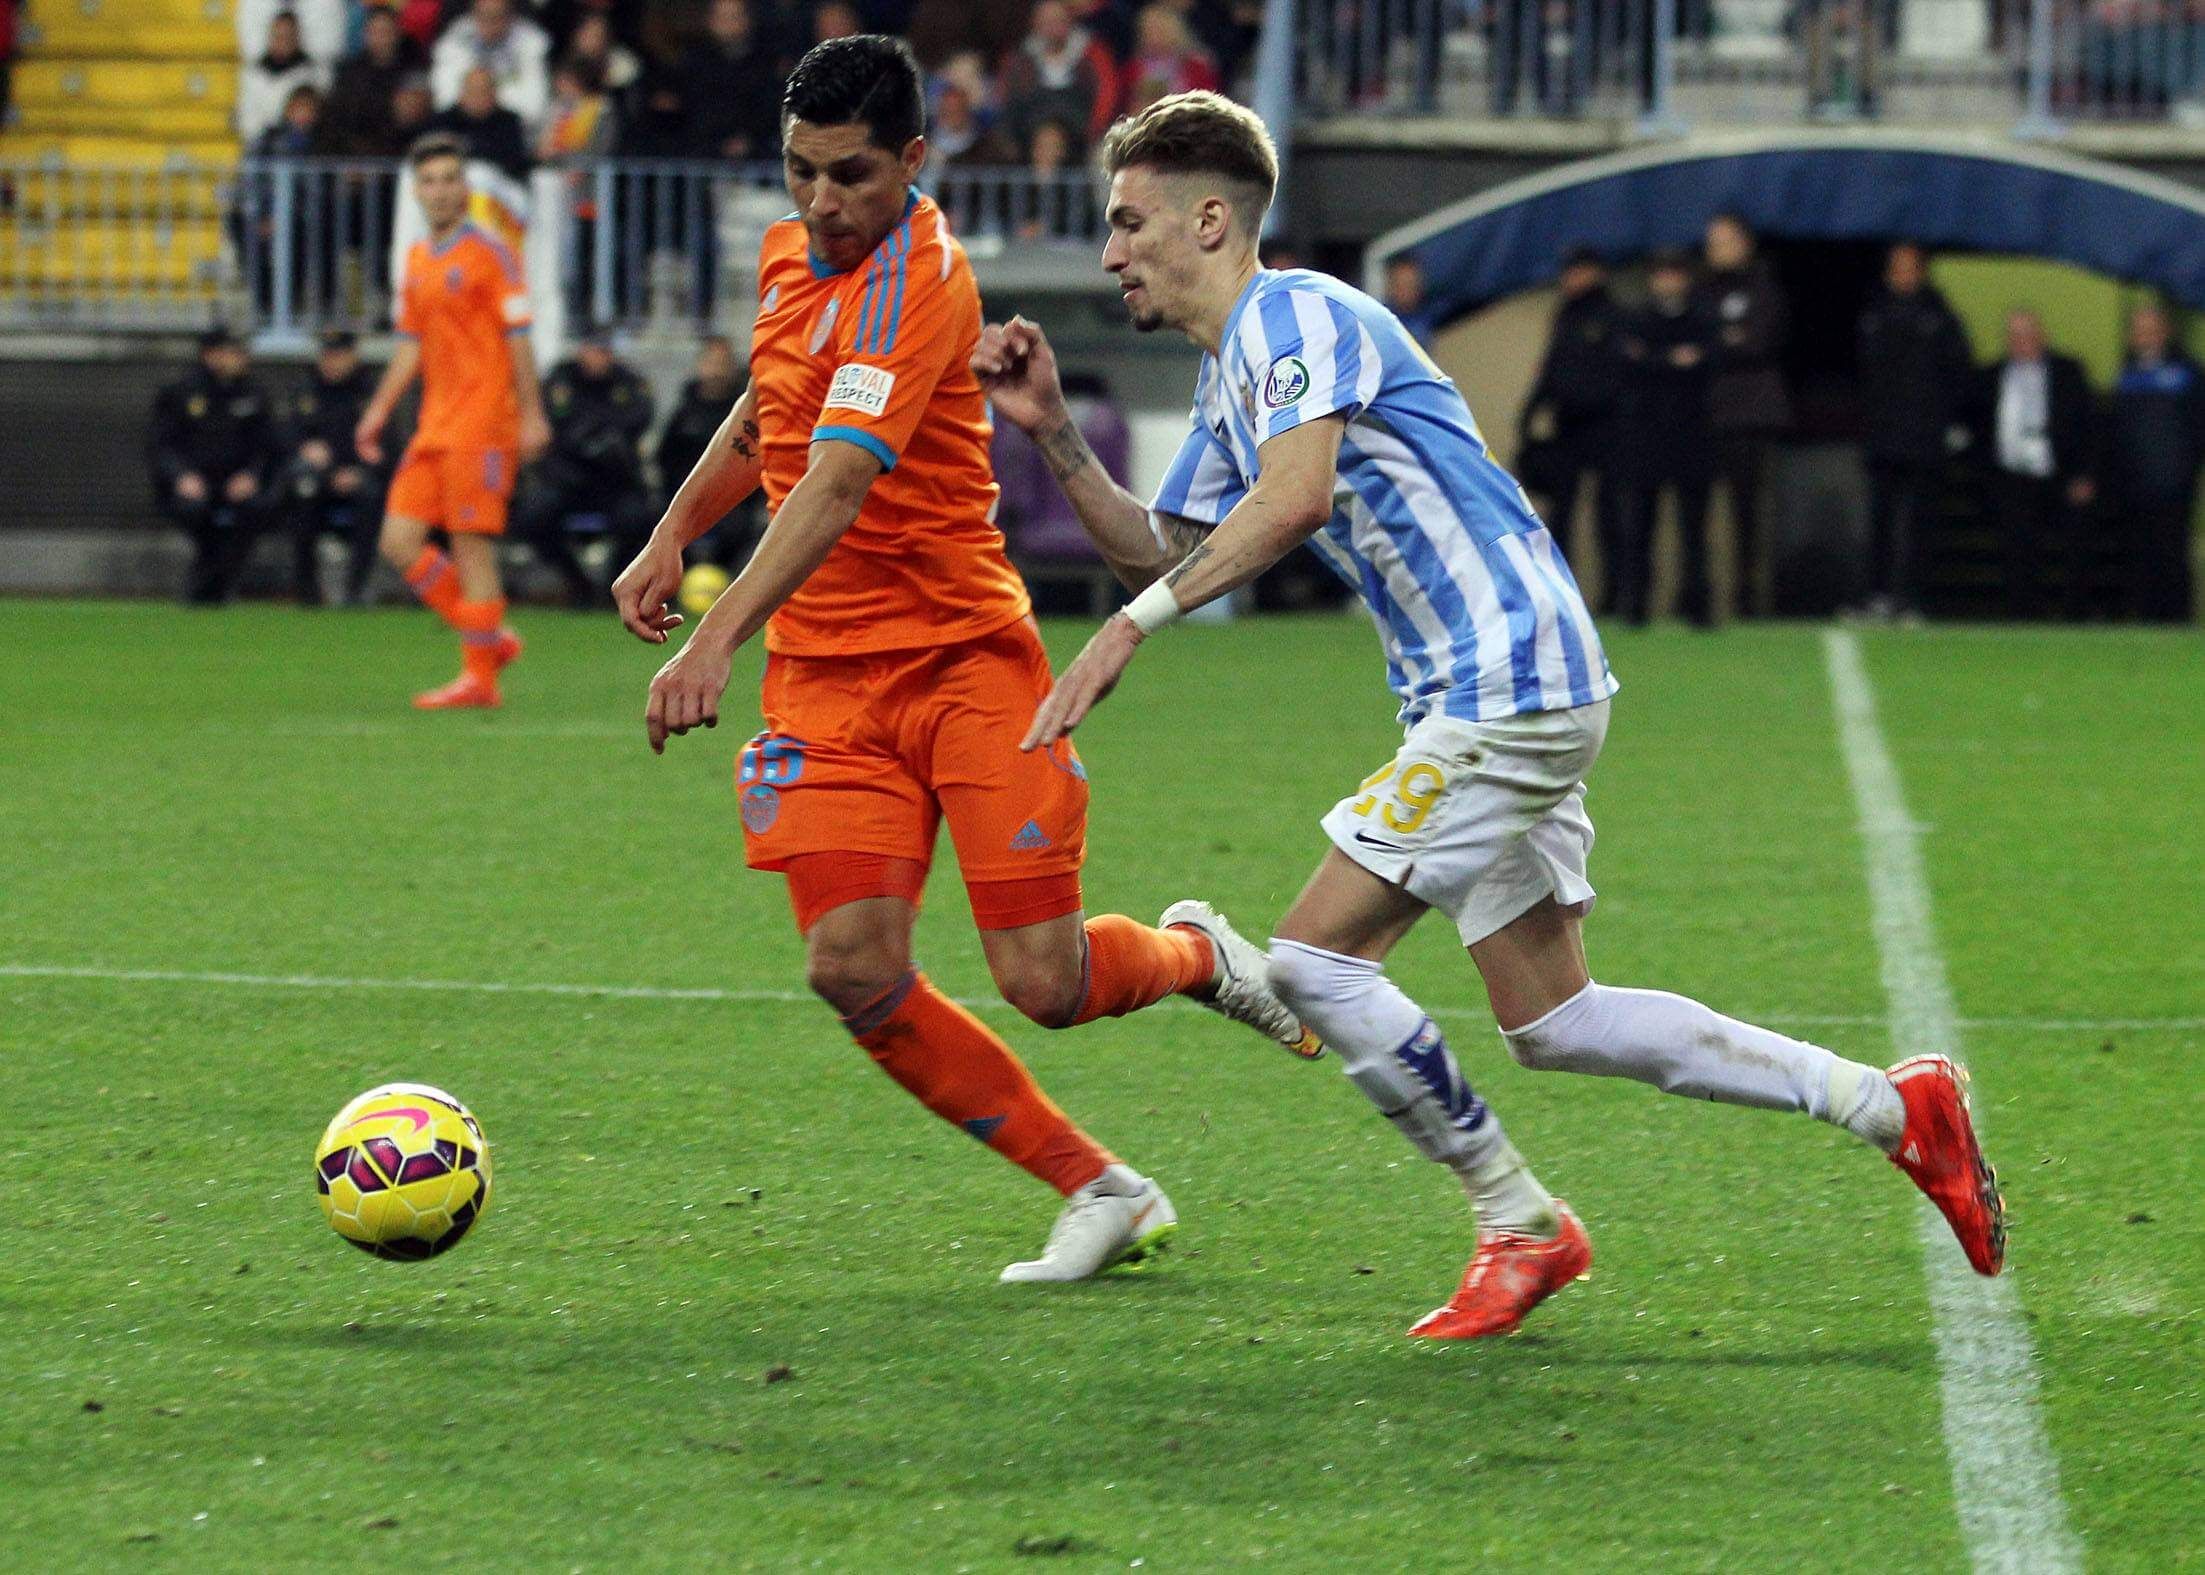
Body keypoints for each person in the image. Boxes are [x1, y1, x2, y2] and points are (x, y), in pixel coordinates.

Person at [979, 89, 2005, 1339]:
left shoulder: (1297, 313)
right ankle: (1899, 1110)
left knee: (1309, 962)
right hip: (1487, 685)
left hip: (1503, 677)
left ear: (1209, 219)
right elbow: (1166, 549)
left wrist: (1130, 635)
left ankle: (1520, 1223)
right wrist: (1054, 444)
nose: (1110, 253)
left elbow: (1292, 505)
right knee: (1556, 1021)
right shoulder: (1229, 383)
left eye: (1130, 222)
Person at [611, 37, 1317, 1286]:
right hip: (827, 685)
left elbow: (833, 483)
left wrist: (716, 634)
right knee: (851, 966)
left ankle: (1200, 953)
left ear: (916, 163)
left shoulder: (919, 279)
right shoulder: (790, 258)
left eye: (852, 176)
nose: (822, 204)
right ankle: (1099, 1186)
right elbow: (769, 415)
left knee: (1044, 980)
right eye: (800, 172)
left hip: (960, 661)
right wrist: (673, 533)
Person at [355, 133, 552, 708]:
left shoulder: (492, 253)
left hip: (483, 421)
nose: (440, 191)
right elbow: (410, 344)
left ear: (466, 188)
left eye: (450, 179)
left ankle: (479, 679)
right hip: (434, 424)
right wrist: (377, 411)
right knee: (398, 540)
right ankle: (487, 640)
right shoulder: (417, 258)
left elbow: (519, 338)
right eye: (430, 181)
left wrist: (532, 414)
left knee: (471, 547)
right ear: (417, 190)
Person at [1855, 241, 1971, 620]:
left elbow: (1958, 373)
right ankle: (1878, 595)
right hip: (1883, 436)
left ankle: (1915, 600)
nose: (1903, 274)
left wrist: (1950, 422)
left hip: (1924, 437)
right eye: (1896, 267)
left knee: (1922, 523)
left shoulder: (1941, 318)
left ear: (1921, 272)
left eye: (1910, 267)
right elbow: (1864, 376)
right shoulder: (1874, 314)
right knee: (1881, 521)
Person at [1613, 250, 1720, 626]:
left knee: (1694, 527)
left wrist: (1654, 360)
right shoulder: (1636, 319)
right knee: (1640, 525)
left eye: (1675, 273)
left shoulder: (1703, 318)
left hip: (1692, 436)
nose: (1668, 282)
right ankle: (1635, 607)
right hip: (1646, 437)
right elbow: (1629, 363)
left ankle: (1698, 608)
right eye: (1662, 274)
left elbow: (1709, 362)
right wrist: (1673, 360)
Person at [512, 323, 656, 605]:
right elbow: (556, 422)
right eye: (593, 349)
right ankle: (577, 581)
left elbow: (638, 417)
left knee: (639, 518)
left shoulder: (628, 383)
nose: (599, 357)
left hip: (613, 480)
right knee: (533, 516)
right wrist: (595, 434)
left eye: (604, 351)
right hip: (569, 478)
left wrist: (593, 434)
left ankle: (614, 584)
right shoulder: (561, 379)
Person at [1970, 308, 2097, 621]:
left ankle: (2074, 619)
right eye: (2015, 336)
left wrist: (2086, 475)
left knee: (2075, 548)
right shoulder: (1990, 377)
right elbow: (1976, 429)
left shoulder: (2069, 372)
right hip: (2011, 478)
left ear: (2042, 337)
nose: (2022, 342)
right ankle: (2022, 619)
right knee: (2017, 551)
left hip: (2061, 475)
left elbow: (2091, 427)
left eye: (2028, 335)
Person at [149, 326, 285, 605]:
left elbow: (269, 446)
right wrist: (181, 476)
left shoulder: (254, 394)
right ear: (211, 355)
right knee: (197, 513)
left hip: (237, 484)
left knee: (255, 507)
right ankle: (210, 580)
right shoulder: (180, 392)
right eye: (233, 352)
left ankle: (215, 583)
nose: (241, 358)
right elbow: (159, 444)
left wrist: (252, 475)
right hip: (194, 484)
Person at [1517, 246, 1622, 601]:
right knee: (1561, 513)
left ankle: (1615, 594)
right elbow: (1551, 369)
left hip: (1607, 427)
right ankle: (1560, 592)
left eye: (1579, 271)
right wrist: (1530, 415)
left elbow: (1617, 374)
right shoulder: (1564, 315)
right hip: (1567, 427)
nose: (1571, 279)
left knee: (1609, 513)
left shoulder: (1613, 315)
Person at [1702, 213, 1791, 618]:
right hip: (1706, 416)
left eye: (1723, 240)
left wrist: (1721, 343)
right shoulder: (1702, 290)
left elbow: (1759, 341)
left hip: (1751, 417)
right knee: (1697, 511)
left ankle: (1750, 601)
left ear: (1744, 243)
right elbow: (1699, 340)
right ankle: (1698, 599)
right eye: (1711, 241)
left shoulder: (1764, 288)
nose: (1714, 249)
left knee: (1750, 512)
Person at [2104, 301, 2204, 622]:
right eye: (2139, 330)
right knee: (2139, 555)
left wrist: (2186, 470)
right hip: (2134, 485)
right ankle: (2145, 618)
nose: (2144, 335)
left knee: (2172, 554)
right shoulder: (2127, 376)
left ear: (2164, 332)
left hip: (2175, 484)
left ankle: (2177, 621)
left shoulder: (2188, 374)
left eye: (2150, 329)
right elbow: (2117, 430)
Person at [278, 328, 387, 605]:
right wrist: (307, 450)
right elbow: (287, 435)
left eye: (339, 355)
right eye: (327, 355)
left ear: (352, 357)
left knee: (371, 495)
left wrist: (358, 470)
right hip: (318, 478)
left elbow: (387, 445)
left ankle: (356, 588)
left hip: (358, 477)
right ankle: (306, 588)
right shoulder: (305, 389)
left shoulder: (371, 393)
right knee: (302, 489)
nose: (331, 362)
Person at [653, 335, 762, 565]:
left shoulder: (747, 415)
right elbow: (665, 459)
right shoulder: (683, 412)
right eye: (711, 362)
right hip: (684, 499)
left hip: (734, 502)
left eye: (722, 364)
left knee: (744, 528)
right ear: (700, 365)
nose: (716, 371)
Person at [999, 0, 1117, 153]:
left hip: (1082, 134)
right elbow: (1008, 100)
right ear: (1036, 25)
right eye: (1047, 23)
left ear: (1070, 22)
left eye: (1058, 21)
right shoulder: (1022, 60)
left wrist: (1093, 131)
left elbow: (1107, 96)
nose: (1053, 29)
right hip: (1028, 135)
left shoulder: (1092, 55)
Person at [430, 0, 552, 129]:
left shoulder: (531, 41)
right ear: (473, 13)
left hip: (513, 127)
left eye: (497, 16)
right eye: (484, 15)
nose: (490, 23)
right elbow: (444, 98)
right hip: (461, 124)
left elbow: (534, 106)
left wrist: (489, 103)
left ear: (511, 16)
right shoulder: (454, 39)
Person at [427, 64, 534, 180]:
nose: (478, 96)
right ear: (461, 93)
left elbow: (514, 162)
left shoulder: (509, 121)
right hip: (452, 182)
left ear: (494, 93)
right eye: (473, 90)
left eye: (484, 90)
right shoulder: (442, 121)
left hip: (500, 185)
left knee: (478, 173)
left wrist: (467, 149)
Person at [237, 12, 326, 142]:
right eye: (278, 36)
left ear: (297, 37)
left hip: (301, 147)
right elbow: (246, 119)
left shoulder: (312, 74)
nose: (283, 42)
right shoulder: (253, 74)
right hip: (259, 147)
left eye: (288, 36)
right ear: (270, 37)